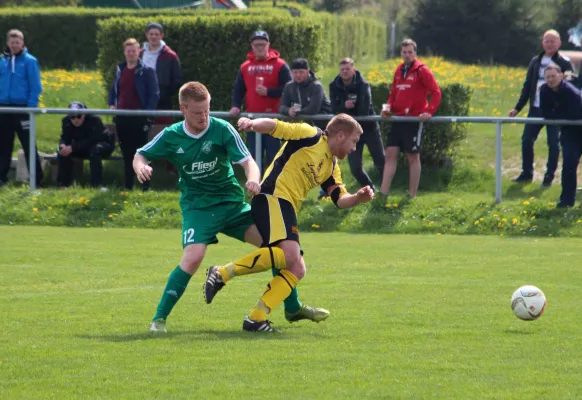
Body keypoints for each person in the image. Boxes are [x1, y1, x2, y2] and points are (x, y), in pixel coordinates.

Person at [133, 82, 328, 333]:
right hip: (199, 209)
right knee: (193, 258)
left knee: (277, 250)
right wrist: (141, 167)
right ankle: (158, 320)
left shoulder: (221, 129)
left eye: (206, 110)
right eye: (196, 112)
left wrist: (253, 179)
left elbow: (249, 162)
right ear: (183, 109)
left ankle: (292, 308)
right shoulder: (172, 135)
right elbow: (140, 154)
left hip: (233, 206)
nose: (203, 117)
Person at [204, 114, 375, 332]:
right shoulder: (310, 135)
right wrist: (252, 124)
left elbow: (340, 199)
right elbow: (276, 126)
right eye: (354, 142)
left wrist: (358, 198)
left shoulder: (331, 166)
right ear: (340, 136)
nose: (354, 148)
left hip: (286, 208)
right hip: (272, 196)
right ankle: (222, 273)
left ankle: (256, 318)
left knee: (296, 267)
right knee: (292, 255)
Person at [508, 29, 574, 187]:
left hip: (555, 111)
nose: (549, 44)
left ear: (559, 43)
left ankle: (549, 177)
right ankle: (526, 173)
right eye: (547, 41)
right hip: (536, 109)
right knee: (526, 140)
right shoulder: (535, 61)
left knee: (553, 143)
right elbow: (527, 86)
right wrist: (518, 108)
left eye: (552, 41)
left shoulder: (565, 63)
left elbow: (573, 86)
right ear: (542, 43)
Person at [380, 38, 441, 199]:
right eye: (404, 52)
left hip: (413, 120)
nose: (406, 55)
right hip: (397, 119)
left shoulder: (422, 70)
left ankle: (412, 194)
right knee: (390, 154)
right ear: (401, 53)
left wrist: (429, 111)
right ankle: (383, 192)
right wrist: (386, 110)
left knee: (412, 156)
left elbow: (436, 92)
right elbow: (393, 94)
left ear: (415, 53)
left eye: (410, 52)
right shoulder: (399, 70)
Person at [230, 30, 292, 170]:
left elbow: (289, 88)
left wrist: (269, 92)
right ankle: (256, 186)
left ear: (268, 45)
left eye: (262, 44)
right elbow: (238, 89)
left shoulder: (280, 65)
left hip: (273, 119)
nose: (260, 48)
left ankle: (274, 187)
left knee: (273, 156)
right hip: (251, 119)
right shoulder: (245, 67)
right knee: (253, 155)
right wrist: (235, 105)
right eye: (257, 44)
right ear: (252, 46)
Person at [109, 38, 159, 191]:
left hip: (139, 119)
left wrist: (147, 114)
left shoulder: (147, 71)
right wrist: (112, 105)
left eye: (134, 51)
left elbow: (154, 94)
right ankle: (128, 186)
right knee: (127, 153)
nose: (131, 54)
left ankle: (145, 186)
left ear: (139, 52)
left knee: (142, 153)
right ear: (125, 52)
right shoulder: (120, 70)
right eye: (128, 51)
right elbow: (113, 91)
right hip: (122, 118)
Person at [330, 57, 384, 191]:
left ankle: (386, 189)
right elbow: (333, 108)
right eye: (342, 69)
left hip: (369, 127)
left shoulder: (363, 84)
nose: (345, 72)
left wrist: (345, 108)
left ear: (353, 69)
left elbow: (364, 110)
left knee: (381, 161)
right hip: (351, 132)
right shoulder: (334, 85)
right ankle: (370, 188)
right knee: (355, 167)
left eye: (348, 69)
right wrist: (344, 106)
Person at [0, 29, 43, 188]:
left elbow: (36, 86)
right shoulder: (2, 61)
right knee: (3, 144)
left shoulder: (30, 61)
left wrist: (30, 108)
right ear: (8, 43)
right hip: (4, 108)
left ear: (22, 43)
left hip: (22, 108)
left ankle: (37, 179)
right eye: (12, 42)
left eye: (17, 42)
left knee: (28, 144)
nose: (14, 45)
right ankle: (2, 178)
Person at [539, 63, 582, 208]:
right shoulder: (544, 90)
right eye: (548, 77)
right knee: (569, 164)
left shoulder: (571, 92)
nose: (550, 79)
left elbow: (575, 113)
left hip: (579, 126)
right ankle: (566, 201)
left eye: (553, 76)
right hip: (569, 132)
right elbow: (545, 113)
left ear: (561, 76)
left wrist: (557, 114)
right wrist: (559, 115)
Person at [57, 101, 115, 188]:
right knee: (63, 153)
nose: (76, 120)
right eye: (72, 117)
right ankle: (63, 184)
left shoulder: (94, 119)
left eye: (79, 116)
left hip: (102, 144)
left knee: (95, 151)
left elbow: (94, 139)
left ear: (84, 114)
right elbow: (65, 137)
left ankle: (96, 184)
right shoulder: (66, 121)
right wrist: (62, 146)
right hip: (80, 147)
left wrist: (73, 147)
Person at [139, 22, 183, 124]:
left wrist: (164, 93)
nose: (153, 37)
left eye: (156, 34)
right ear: (147, 35)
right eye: (151, 34)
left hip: (162, 103)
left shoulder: (170, 55)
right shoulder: (139, 54)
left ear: (161, 36)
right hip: (141, 101)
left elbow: (178, 79)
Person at [279, 58, 331, 131]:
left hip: (323, 124)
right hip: (305, 127)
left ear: (307, 71)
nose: (298, 75)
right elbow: (281, 107)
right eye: (295, 72)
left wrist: (296, 112)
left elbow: (313, 109)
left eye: (301, 72)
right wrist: (288, 110)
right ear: (291, 73)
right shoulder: (289, 86)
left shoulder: (316, 86)